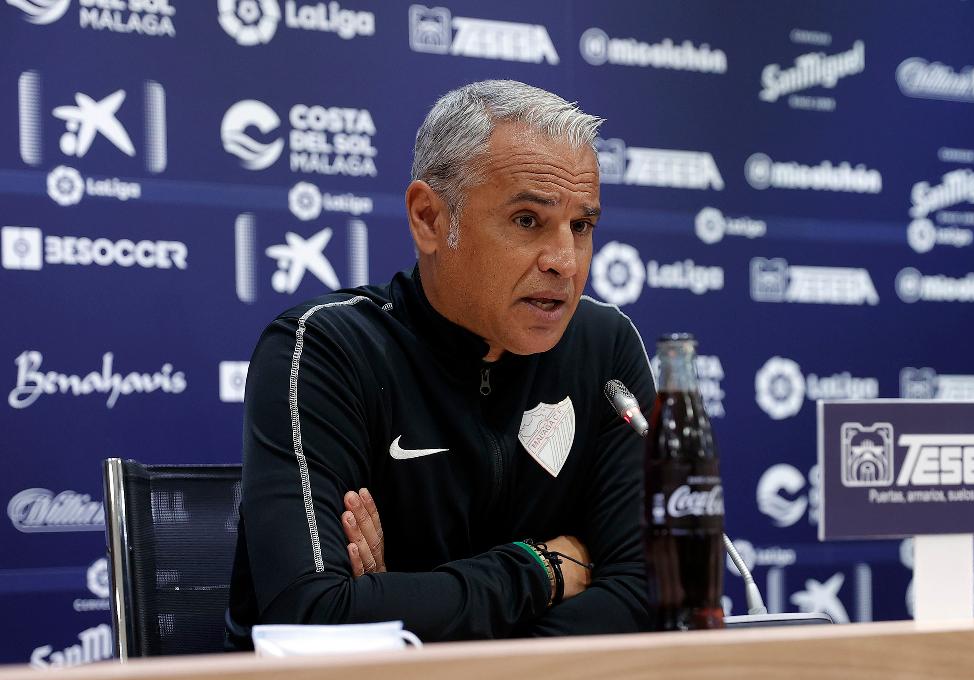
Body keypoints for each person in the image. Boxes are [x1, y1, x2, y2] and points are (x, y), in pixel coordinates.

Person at [225, 80, 655, 647]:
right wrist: (539, 570)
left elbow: (650, 596)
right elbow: (310, 619)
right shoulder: (326, 350)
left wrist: (404, 610)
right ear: (429, 219)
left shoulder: (606, 350)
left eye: (581, 226)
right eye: (528, 220)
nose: (564, 261)